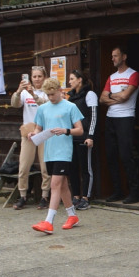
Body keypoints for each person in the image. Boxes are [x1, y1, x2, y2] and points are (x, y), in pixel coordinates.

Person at [29, 78, 85, 234]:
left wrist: (65, 130)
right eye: (48, 95)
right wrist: (33, 134)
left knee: (55, 185)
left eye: (53, 94)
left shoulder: (70, 107)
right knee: (62, 186)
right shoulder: (43, 108)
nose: (51, 97)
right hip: (49, 152)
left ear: (60, 91)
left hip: (63, 152)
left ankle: (48, 221)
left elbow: (80, 130)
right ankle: (72, 216)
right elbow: (38, 128)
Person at [100, 46, 139, 204]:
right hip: (111, 117)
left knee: (126, 156)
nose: (113, 59)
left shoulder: (133, 74)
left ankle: (134, 192)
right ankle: (117, 191)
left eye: (115, 56)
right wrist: (115, 96)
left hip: (126, 117)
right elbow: (101, 99)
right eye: (112, 56)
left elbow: (126, 96)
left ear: (124, 56)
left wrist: (111, 96)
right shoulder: (111, 76)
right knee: (111, 155)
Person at [10, 66, 51, 210]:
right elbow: (14, 104)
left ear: (44, 77)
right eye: (34, 76)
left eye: (40, 76)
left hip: (44, 132)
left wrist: (34, 95)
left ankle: (45, 196)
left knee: (45, 167)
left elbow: (46, 106)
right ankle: (23, 196)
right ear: (30, 78)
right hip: (28, 132)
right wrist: (19, 91)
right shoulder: (24, 93)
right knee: (24, 166)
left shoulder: (47, 92)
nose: (37, 79)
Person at [67, 70, 98, 210]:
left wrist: (90, 136)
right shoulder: (71, 97)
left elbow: (93, 117)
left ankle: (86, 197)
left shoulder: (89, 94)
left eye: (72, 79)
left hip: (84, 137)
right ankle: (76, 196)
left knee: (86, 168)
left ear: (79, 80)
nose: (70, 82)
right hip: (72, 136)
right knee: (73, 168)